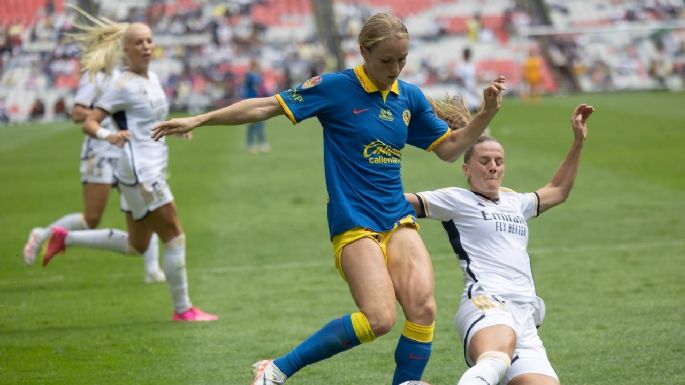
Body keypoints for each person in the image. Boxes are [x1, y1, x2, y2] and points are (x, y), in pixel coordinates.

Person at [152, 12, 505, 384]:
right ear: (363, 52)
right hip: (354, 221)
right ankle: (275, 369)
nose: (396, 68)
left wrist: (485, 114)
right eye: (387, 60)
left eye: (402, 59)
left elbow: (449, 149)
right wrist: (198, 119)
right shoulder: (334, 88)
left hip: (397, 218)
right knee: (379, 319)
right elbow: (265, 106)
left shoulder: (409, 97)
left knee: (423, 308)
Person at [40, 8, 217, 322]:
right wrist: (109, 134)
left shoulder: (152, 77)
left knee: (138, 244)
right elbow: (89, 122)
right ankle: (184, 310)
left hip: (144, 168)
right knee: (175, 236)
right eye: (139, 42)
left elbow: (148, 120)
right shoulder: (121, 85)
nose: (147, 46)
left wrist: (176, 130)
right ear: (125, 49)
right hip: (141, 174)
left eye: (149, 40)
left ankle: (64, 237)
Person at [406, 103, 595, 385]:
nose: (493, 167)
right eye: (485, 161)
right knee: (496, 357)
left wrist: (578, 141)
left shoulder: (515, 202)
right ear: (466, 168)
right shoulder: (457, 199)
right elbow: (401, 202)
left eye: (498, 161)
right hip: (486, 301)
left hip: (525, 316)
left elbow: (558, 190)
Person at [22, 69, 166, 284]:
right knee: (92, 218)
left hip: (127, 149)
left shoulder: (131, 75)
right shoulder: (97, 76)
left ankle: (152, 269)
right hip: (100, 151)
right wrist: (105, 111)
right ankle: (43, 234)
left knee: (146, 205)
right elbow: (78, 113)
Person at [242, 58, 270, 154]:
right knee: (251, 124)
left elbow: (262, 87)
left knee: (260, 122)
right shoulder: (249, 75)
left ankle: (261, 144)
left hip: (258, 101)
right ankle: (251, 144)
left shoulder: (257, 75)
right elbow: (254, 83)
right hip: (250, 101)